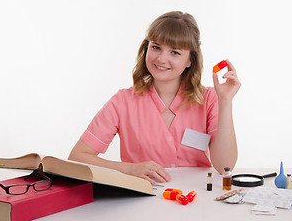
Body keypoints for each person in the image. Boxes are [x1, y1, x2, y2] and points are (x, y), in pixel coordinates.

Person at [68, 11, 241, 184]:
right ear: (146, 49)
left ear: (190, 60)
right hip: (141, 201)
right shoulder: (122, 101)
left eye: (175, 52)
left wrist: (225, 100)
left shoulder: (209, 99)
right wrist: (128, 169)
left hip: (196, 199)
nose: (161, 58)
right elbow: (77, 157)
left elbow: (224, 166)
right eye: (156, 47)